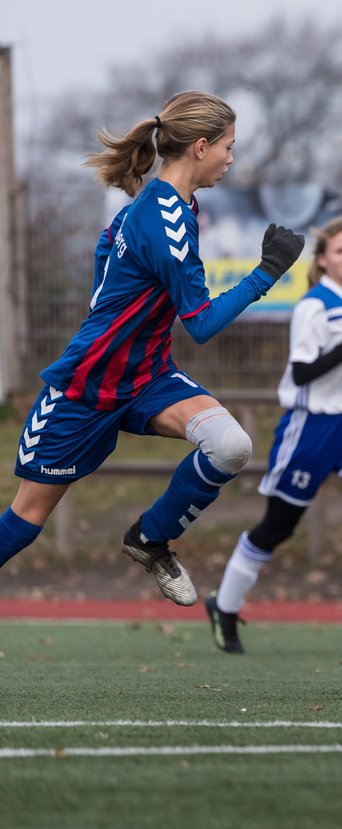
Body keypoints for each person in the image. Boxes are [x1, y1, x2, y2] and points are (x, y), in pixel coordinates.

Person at [0, 92, 305, 606]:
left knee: (230, 446)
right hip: (87, 386)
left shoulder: (167, 205)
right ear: (201, 147)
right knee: (26, 519)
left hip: (146, 377)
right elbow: (202, 323)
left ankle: (149, 538)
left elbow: (104, 262)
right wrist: (267, 272)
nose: (232, 158)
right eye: (229, 147)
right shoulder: (164, 222)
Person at [206, 216, 342, 653]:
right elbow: (304, 371)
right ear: (323, 260)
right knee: (277, 528)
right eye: (341, 251)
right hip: (309, 428)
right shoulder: (312, 307)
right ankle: (224, 606)